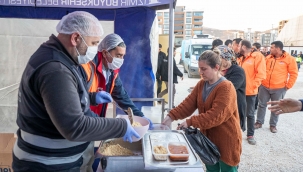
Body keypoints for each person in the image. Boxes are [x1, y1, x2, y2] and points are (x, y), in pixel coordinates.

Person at [12, 11, 140, 172]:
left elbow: (61, 99)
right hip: (45, 164)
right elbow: (74, 126)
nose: (96, 49)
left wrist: (91, 97)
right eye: (93, 43)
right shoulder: (56, 69)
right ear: (75, 38)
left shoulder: (61, 59)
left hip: (55, 160)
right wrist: (121, 126)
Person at [162, 50, 242, 172]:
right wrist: (171, 116)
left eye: (204, 69)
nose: (200, 72)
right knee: (211, 169)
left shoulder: (226, 87)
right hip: (207, 139)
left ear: (216, 67)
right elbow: (188, 104)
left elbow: (216, 115)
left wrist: (190, 122)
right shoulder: (201, 84)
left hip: (227, 139)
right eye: (200, 68)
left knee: (227, 169)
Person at [80, 33, 153, 128]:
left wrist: (140, 116)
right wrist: (93, 97)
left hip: (96, 122)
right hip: (82, 121)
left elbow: (122, 97)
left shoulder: (112, 71)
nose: (121, 59)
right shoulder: (88, 66)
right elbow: (76, 97)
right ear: (105, 53)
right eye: (118, 55)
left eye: (123, 56)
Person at [254, 41, 298, 133]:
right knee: (261, 105)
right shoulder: (268, 58)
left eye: (272, 47)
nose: (270, 49)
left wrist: (287, 86)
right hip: (264, 86)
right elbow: (261, 70)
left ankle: (273, 125)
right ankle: (259, 122)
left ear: (278, 49)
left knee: (276, 106)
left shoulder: (289, 59)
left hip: (279, 88)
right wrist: (261, 82)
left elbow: (294, 74)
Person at [237, 40, 266, 145]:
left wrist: (253, 86)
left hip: (250, 92)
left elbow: (261, 74)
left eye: (239, 46)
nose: (237, 47)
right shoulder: (239, 57)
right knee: (237, 112)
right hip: (238, 91)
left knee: (249, 114)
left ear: (244, 47)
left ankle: (250, 135)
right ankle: (237, 132)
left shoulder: (257, 57)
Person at [215, 45, 246, 132]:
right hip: (221, 106)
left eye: (218, 57)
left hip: (235, 106)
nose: (216, 60)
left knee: (233, 132)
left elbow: (228, 88)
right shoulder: (217, 69)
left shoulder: (238, 71)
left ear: (226, 58)